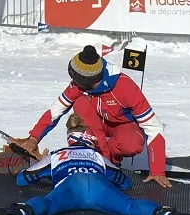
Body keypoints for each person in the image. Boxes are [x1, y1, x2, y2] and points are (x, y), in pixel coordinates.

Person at [0, 114, 190, 215]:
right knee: (130, 206)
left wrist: (43, 165)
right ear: (90, 137)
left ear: (70, 136)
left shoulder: (57, 155)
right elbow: (124, 181)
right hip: (98, 184)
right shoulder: (98, 156)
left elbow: (24, 178)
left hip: (71, 186)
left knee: (47, 204)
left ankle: (21, 213)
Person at [15, 46, 170, 187]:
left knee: (132, 143)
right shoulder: (78, 85)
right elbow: (55, 111)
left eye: (76, 80)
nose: (73, 84)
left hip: (122, 125)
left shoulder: (125, 87)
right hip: (95, 125)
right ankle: (94, 158)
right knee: (81, 102)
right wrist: (34, 138)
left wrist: (157, 171)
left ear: (88, 81)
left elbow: (154, 128)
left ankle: (110, 162)